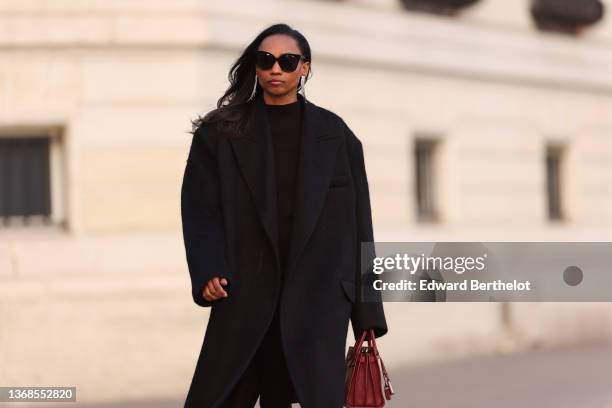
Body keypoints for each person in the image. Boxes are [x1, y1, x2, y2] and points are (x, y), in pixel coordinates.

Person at [180, 23, 388, 408]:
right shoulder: (220, 133)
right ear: (256, 67)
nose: (276, 69)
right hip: (244, 292)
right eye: (266, 60)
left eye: (287, 61)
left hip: (318, 298)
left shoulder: (336, 135)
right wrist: (208, 268)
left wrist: (367, 312)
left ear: (304, 68)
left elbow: (361, 226)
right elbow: (199, 209)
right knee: (223, 394)